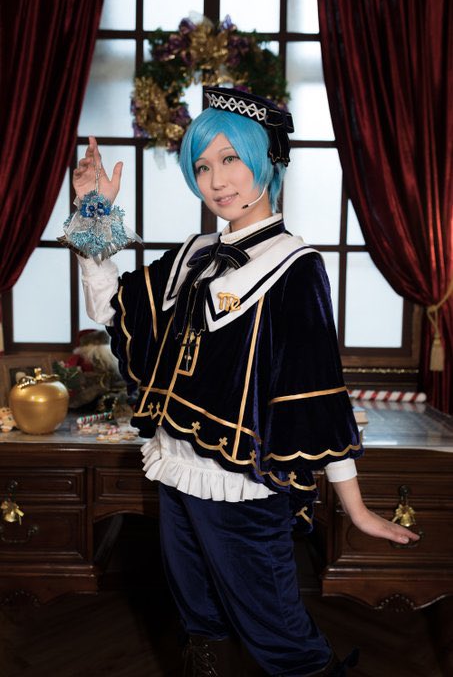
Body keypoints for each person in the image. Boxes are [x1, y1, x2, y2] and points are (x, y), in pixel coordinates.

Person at [67, 87, 420, 677]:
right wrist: (93, 213)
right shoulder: (194, 254)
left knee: (280, 637)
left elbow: (318, 395)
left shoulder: (295, 267)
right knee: (200, 627)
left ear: (266, 160)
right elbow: (111, 308)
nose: (215, 180)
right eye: (202, 165)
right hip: (176, 469)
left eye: (230, 159)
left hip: (241, 486)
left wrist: (355, 509)